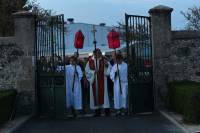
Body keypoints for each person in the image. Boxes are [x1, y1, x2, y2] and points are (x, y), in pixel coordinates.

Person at [85, 48, 111, 116]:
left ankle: (106, 111)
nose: (99, 54)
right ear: (94, 53)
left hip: (103, 80)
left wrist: (107, 66)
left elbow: (109, 68)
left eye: (100, 53)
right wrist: (93, 72)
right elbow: (87, 71)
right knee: (95, 95)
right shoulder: (90, 61)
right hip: (94, 80)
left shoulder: (104, 60)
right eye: (97, 53)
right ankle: (97, 111)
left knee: (104, 95)